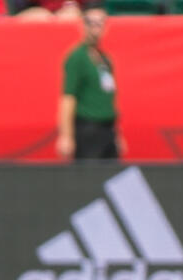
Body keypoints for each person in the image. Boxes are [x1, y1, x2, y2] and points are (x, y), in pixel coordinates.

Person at [57, 6, 119, 163]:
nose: (95, 28)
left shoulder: (105, 59)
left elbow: (110, 98)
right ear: (82, 25)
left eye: (100, 23)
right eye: (90, 22)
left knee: (114, 178)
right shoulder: (77, 57)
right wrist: (66, 136)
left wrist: (117, 133)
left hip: (108, 128)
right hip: (88, 128)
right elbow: (68, 97)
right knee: (89, 180)